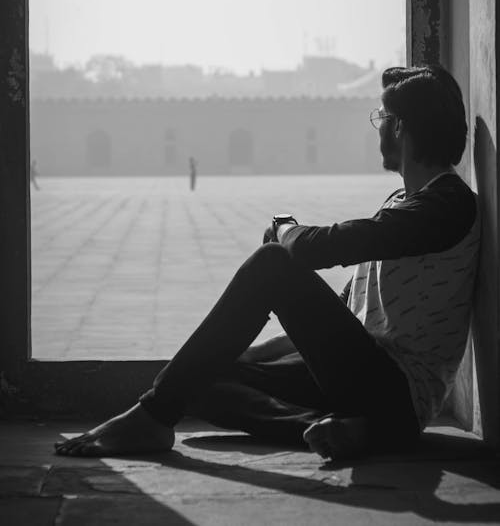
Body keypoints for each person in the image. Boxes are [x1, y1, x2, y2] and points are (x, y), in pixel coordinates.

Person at [54, 65, 480, 460]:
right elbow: (339, 320)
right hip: (357, 381)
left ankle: (151, 418)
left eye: (381, 117)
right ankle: (345, 432)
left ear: (401, 127)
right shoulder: (402, 204)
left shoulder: (448, 205)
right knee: (199, 379)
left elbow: (321, 248)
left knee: (273, 262)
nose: (377, 128)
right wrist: (246, 355)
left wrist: (284, 232)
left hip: (397, 393)